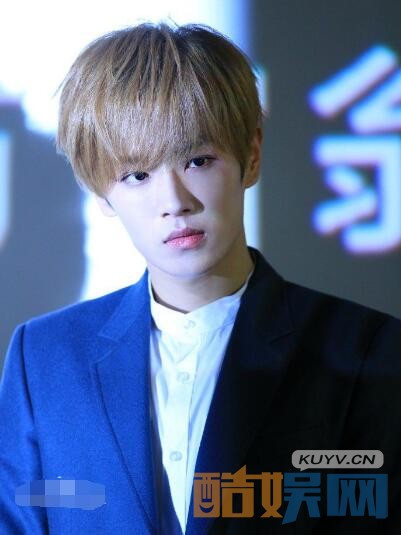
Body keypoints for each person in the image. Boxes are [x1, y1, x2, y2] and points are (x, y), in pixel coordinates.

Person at [1, 21, 401, 535]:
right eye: (137, 175)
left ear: (250, 156)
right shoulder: (45, 357)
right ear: (101, 193)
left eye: (197, 160)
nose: (174, 202)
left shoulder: (368, 350)